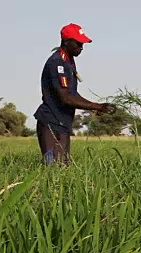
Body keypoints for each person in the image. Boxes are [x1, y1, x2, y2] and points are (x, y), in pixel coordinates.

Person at [34, 23, 116, 165]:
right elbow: (66, 98)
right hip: (51, 123)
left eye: (82, 43)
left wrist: (95, 107)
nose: (81, 47)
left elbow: (73, 94)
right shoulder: (57, 62)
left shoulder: (68, 61)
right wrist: (98, 107)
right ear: (66, 42)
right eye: (78, 43)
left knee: (64, 166)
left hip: (62, 122)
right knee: (52, 166)